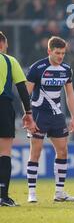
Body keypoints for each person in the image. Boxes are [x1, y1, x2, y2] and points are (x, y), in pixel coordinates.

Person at [25, 36, 74, 203]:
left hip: (57, 115)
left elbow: (70, 93)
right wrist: (28, 115)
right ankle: (32, 193)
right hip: (39, 115)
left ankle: (59, 192)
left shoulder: (66, 69)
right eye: (57, 53)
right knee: (36, 152)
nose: (61, 56)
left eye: (63, 53)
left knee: (63, 151)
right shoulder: (37, 68)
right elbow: (25, 94)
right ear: (49, 51)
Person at [0, 31, 37, 207]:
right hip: (3, 107)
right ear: (2, 44)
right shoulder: (9, 60)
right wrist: (28, 112)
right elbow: (22, 89)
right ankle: (3, 196)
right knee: (4, 152)